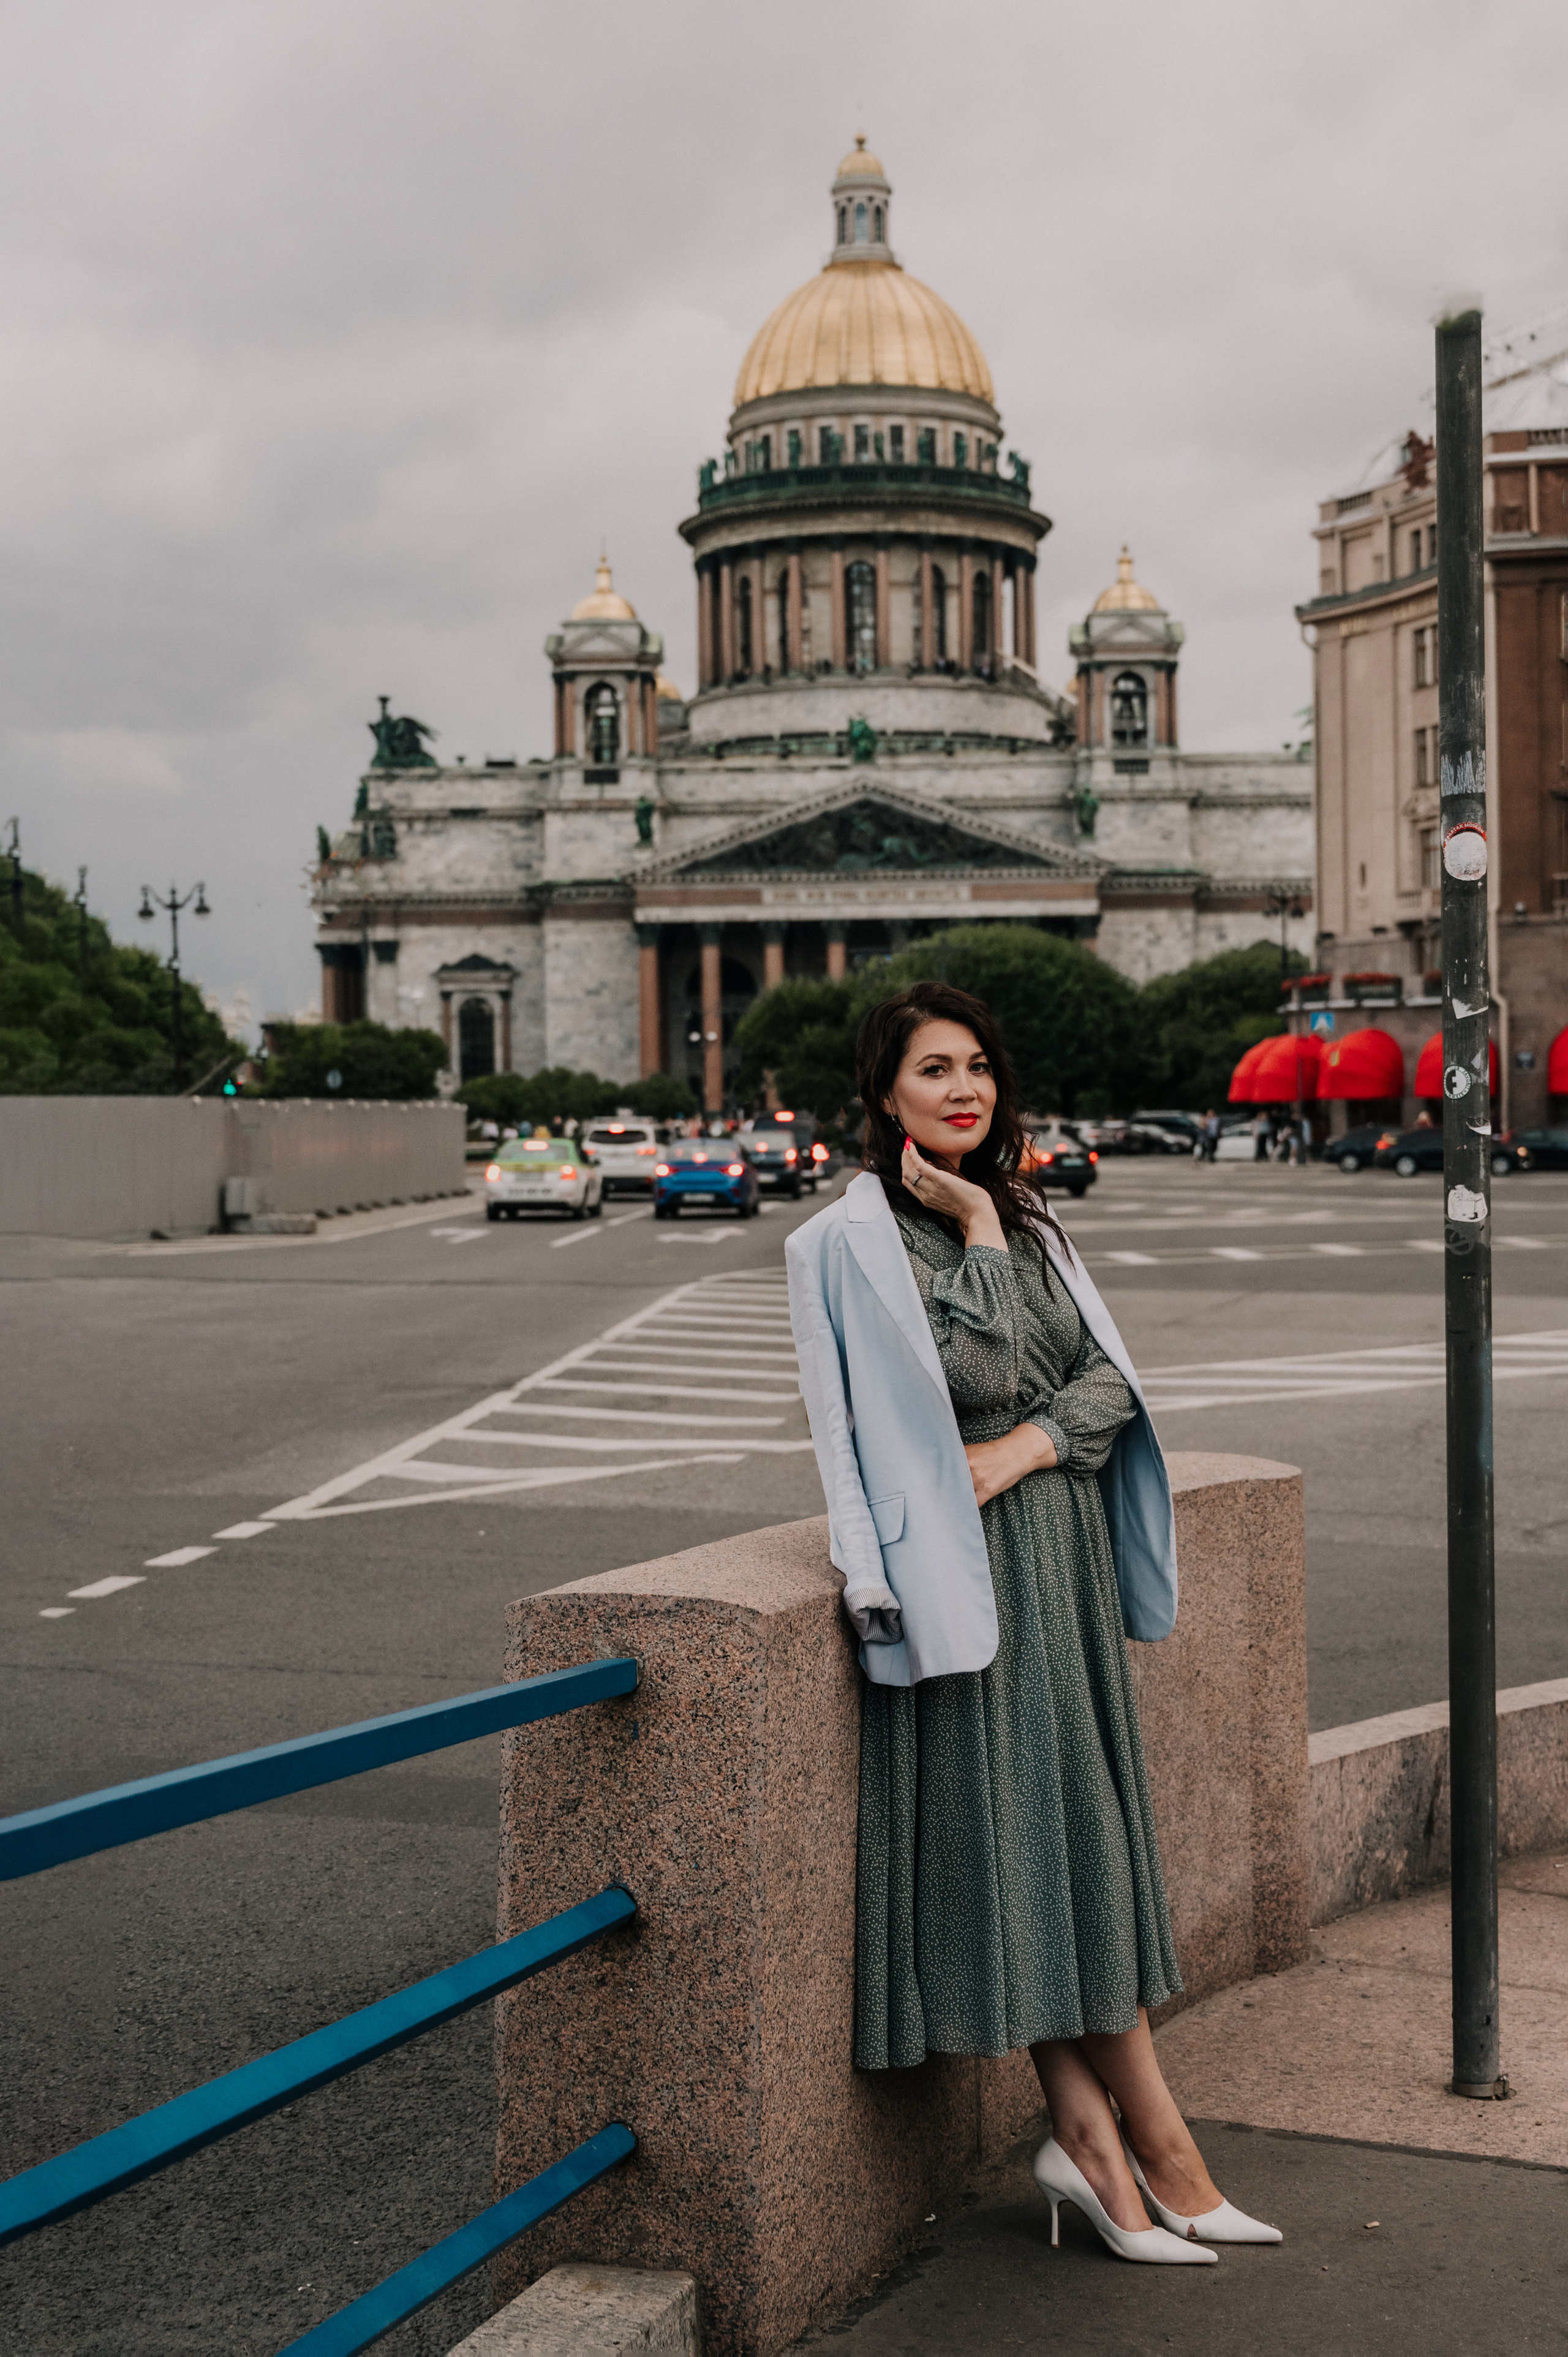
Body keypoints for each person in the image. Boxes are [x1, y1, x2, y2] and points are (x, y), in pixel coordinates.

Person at [787, 982, 1280, 2266]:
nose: (963, 1090)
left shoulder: (1021, 1213)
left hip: (1049, 1562)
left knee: (1068, 1846)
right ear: (881, 1094)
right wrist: (978, 1239)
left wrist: (1026, 1449)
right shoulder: (858, 1240)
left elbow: (1108, 1380)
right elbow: (978, 1369)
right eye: (932, 1071)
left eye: (978, 1069)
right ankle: (1144, 2152)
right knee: (1033, 1853)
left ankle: (1098, 2142)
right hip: (965, 1579)